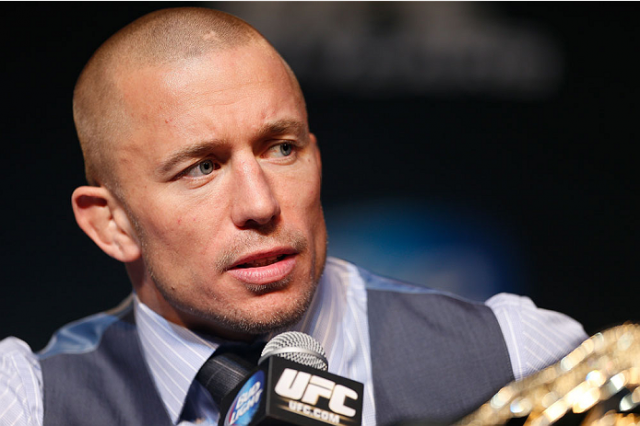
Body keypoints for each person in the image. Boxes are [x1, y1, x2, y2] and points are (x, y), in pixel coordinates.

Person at [0, 7, 587, 426]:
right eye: (202, 168)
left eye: (281, 149)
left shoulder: (520, 357)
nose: (260, 205)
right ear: (110, 223)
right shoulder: (27, 403)